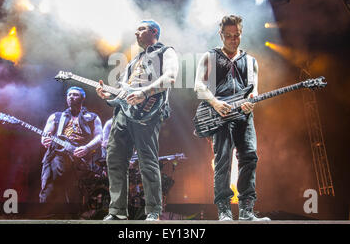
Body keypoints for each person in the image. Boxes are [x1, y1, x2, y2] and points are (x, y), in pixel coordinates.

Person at [96, 20, 179, 221]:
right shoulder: (134, 61)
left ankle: (153, 210)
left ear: (154, 32)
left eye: (141, 29)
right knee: (114, 159)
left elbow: (170, 77)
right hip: (123, 114)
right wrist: (108, 96)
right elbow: (122, 91)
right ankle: (117, 212)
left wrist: (145, 92)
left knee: (147, 161)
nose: (136, 32)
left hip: (148, 113)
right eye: (136, 29)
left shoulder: (166, 52)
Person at [194, 15, 270, 221]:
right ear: (221, 34)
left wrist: (251, 103)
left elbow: (254, 91)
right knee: (223, 162)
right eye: (228, 36)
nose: (233, 39)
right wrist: (216, 103)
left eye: (236, 35)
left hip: (244, 117)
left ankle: (246, 210)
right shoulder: (209, 57)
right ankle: (224, 210)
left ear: (241, 33)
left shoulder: (251, 61)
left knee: (250, 158)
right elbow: (199, 86)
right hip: (220, 115)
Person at [40, 86, 103, 204]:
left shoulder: (93, 117)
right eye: (69, 95)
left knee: (74, 191)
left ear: (82, 98)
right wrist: (44, 139)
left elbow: (99, 137)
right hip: (58, 155)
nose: (71, 97)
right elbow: (46, 134)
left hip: (80, 158)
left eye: (75, 95)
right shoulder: (56, 116)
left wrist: (87, 147)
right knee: (51, 188)